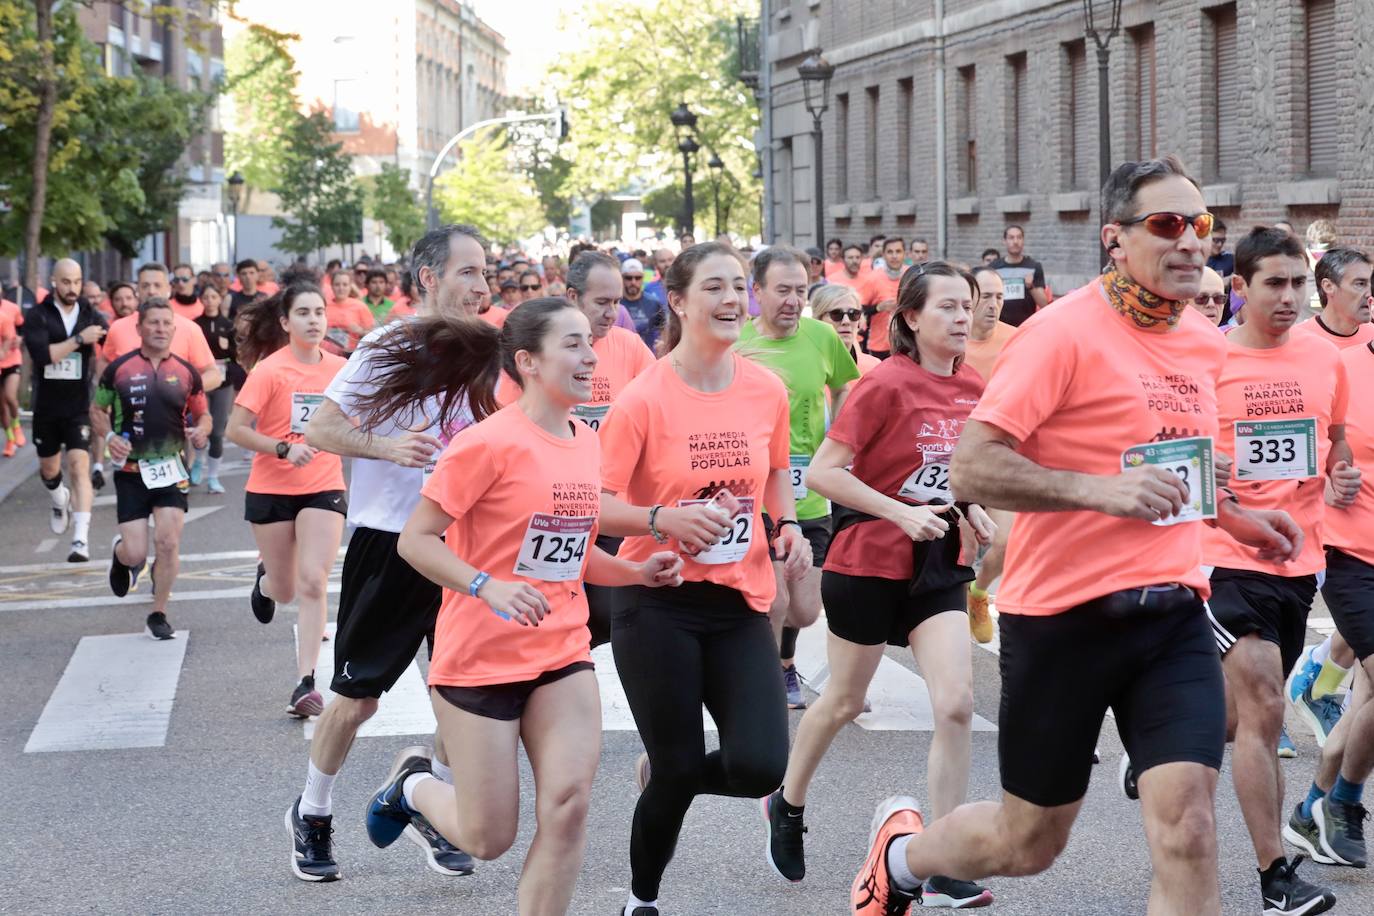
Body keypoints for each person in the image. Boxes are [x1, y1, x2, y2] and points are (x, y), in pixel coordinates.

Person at [849, 157, 1305, 916]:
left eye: (1199, 226)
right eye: (1166, 225)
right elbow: (973, 466)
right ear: (1115, 240)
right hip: (1063, 618)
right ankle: (903, 856)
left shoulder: (1200, 341)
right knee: (1028, 841)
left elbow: (1168, 472)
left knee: (1191, 826)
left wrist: (1241, 523)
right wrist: (1100, 491)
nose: (1191, 242)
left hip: (1173, 617)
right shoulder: (1061, 334)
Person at [362, 297, 684, 916]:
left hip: (561, 650)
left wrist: (636, 572)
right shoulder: (486, 444)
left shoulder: (588, 441)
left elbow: (574, 550)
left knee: (568, 805)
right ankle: (413, 787)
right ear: (528, 362)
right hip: (479, 658)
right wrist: (487, 585)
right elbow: (415, 540)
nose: (590, 356)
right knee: (489, 838)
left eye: (589, 344)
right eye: (572, 344)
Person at [768, 261, 996, 909]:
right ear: (911, 318)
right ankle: (786, 804)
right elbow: (825, 475)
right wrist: (899, 510)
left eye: (968, 305)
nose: (961, 317)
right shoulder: (884, 386)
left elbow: (955, 471)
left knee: (955, 703)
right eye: (948, 307)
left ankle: (945, 855)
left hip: (937, 565)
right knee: (842, 700)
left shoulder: (974, 385)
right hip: (868, 559)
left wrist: (972, 507)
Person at [597, 242, 809, 916]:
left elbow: (776, 468)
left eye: (737, 287)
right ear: (679, 300)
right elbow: (594, 503)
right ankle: (642, 900)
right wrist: (662, 519)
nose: (730, 300)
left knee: (760, 766)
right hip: (656, 599)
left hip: (739, 598)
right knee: (680, 764)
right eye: (713, 287)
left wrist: (790, 524)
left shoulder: (764, 388)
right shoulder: (643, 399)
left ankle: (671, 780)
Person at [291, 224, 492, 883]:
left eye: (485, 273)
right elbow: (319, 425)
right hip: (388, 544)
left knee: (460, 698)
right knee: (356, 696)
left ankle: (431, 799)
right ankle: (313, 810)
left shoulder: (485, 352)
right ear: (429, 278)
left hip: (461, 543)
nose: (482, 285)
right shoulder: (389, 345)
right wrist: (386, 447)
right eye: (469, 272)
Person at [1194, 226, 1348, 914]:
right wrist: (1207, 464)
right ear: (1241, 288)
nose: (1289, 297)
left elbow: (1335, 442)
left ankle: (1168, 740)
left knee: (1232, 718)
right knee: (1263, 704)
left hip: (1299, 560)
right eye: (1274, 284)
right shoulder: (1207, 360)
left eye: (1298, 283)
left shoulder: (1324, 361)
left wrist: (1340, 474)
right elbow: (1155, 448)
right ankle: (1275, 875)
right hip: (1224, 558)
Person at [737, 246, 859, 709]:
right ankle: (766, 681)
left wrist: (840, 440)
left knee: (805, 609)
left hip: (811, 493)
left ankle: (786, 661)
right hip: (760, 491)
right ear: (758, 292)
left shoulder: (821, 336)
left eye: (800, 290)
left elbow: (845, 383)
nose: (792, 300)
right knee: (775, 602)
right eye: (782, 290)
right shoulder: (739, 344)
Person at [227, 283, 348, 718]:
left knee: (314, 581)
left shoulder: (340, 368)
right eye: (303, 313)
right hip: (271, 488)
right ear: (285, 322)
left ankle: (306, 683)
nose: (314, 320)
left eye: (319, 312)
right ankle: (264, 581)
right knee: (284, 588)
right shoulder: (269, 371)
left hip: (322, 485)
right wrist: (282, 448)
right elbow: (235, 430)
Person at [1283, 334, 1374, 870]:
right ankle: (1344, 802)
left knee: (1366, 704)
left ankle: (1309, 809)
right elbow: (1295, 449)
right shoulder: (1338, 368)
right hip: (1351, 554)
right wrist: (1325, 483)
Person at [91, 298, 210, 640]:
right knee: (137, 552)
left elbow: (203, 415)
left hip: (172, 468)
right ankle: (121, 556)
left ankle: (159, 611)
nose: (160, 329)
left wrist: (201, 431)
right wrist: (111, 435)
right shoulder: (120, 370)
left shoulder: (187, 373)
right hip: (131, 472)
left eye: (166, 323)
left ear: (174, 328)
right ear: (139, 328)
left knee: (169, 542)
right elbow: (96, 411)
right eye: (153, 323)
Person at [23, 258, 107, 562]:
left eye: (77, 281)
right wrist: (79, 341)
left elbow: (111, 342)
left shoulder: (90, 313)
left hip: (78, 405)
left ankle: (80, 540)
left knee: (78, 466)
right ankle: (59, 500)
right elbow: (44, 357)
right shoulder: (37, 315)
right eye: (66, 282)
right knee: (50, 470)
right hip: (46, 405)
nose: (73, 288)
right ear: (54, 282)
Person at [962, 267, 1016, 644]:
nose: (994, 305)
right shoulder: (952, 339)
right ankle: (942, 618)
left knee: (1007, 541)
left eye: (999, 297)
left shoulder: (1016, 340)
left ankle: (979, 593)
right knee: (960, 547)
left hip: (998, 454)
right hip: (953, 456)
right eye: (986, 296)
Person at [191, 285, 238, 493]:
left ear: (220, 299)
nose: (210, 300)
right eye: (206, 297)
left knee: (217, 431)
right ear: (201, 300)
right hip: (199, 380)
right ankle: (198, 460)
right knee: (200, 426)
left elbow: (238, 355)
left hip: (222, 381)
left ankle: (213, 477)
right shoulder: (195, 325)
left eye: (214, 296)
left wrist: (227, 347)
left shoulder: (227, 325)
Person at [1292, 246, 1374, 350]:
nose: (1369, 293)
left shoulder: (1372, 337)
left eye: (1371, 284)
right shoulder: (1296, 341)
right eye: (1360, 284)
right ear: (1328, 286)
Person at [813, 285, 880, 377]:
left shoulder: (874, 367)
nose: (846, 321)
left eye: (853, 314)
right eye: (836, 314)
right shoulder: (803, 367)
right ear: (818, 320)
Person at [989, 225, 1047, 327]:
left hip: (1025, 326)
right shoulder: (994, 268)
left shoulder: (1033, 266)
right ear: (1004, 241)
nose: (1015, 241)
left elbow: (1044, 304)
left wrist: (1031, 287)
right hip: (1000, 325)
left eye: (1019, 237)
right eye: (1011, 237)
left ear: (1023, 240)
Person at [859, 238, 907, 358]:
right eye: (890, 252)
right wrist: (878, 307)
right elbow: (860, 309)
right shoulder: (873, 278)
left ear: (904, 253)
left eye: (898, 251)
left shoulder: (911, 275)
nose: (894, 256)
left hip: (907, 342)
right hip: (879, 345)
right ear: (884, 255)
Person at [324, 269, 375, 355]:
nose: (341, 288)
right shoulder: (324, 306)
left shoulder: (359, 306)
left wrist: (360, 331)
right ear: (331, 286)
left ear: (350, 286)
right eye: (337, 284)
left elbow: (374, 334)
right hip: (326, 355)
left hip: (351, 355)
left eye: (345, 285)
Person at [619, 258, 665, 351]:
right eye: (628, 278)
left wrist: (662, 343)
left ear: (643, 278)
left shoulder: (654, 303)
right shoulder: (615, 302)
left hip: (647, 356)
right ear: (622, 278)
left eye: (637, 278)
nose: (633, 282)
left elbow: (663, 330)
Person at [0, 294, 24, 457]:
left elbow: (21, 327)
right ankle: (9, 440)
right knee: (1, 406)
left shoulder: (10, 310)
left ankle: (17, 427)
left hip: (12, 359)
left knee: (10, 397)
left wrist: (20, 338)